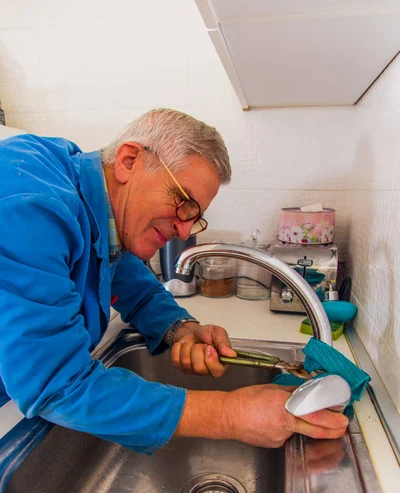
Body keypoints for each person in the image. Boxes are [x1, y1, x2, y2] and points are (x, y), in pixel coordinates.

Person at [0, 108, 348, 454]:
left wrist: (178, 327)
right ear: (129, 160)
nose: (184, 229)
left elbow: (129, 282)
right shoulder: (30, 207)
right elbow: (56, 384)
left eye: (195, 217)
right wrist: (231, 414)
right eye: (184, 203)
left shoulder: (91, 194)